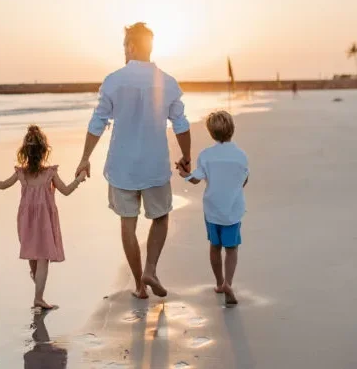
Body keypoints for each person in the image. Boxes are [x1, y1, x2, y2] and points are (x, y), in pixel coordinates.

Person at [76, 22, 191, 299]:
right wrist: (187, 156)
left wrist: (85, 158)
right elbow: (180, 124)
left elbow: (98, 122)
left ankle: (140, 286)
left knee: (128, 223)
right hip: (154, 166)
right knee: (160, 217)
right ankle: (150, 268)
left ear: (131, 46)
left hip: (122, 167)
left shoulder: (114, 80)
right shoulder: (168, 82)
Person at [0, 125, 86, 309]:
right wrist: (79, 179)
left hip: (25, 221)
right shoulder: (49, 173)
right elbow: (66, 191)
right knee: (41, 258)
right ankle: (39, 294)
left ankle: (38, 296)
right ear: (44, 152)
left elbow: (2, 185)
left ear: (25, 152)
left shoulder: (21, 174)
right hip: (45, 221)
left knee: (35, 257)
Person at [180, 110, 249, 306]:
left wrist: (183, 173)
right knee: (232, 248)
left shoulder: (206, 155)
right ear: (232, 129)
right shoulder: (241, 156)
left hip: (212, 209)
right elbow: (244, 180)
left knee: (215, 247)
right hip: (233, 209)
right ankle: (229, 282)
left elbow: (194, 179)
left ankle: (219, 283)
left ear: (211, 133)